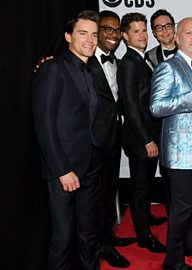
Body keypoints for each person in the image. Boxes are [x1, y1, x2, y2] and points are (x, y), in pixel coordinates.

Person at [32, 10, 104, 270]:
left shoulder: (89, 70)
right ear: (68, 36)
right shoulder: (53, 69)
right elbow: (44, 124)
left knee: (89, 234)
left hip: (90, 166)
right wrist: (63, 170)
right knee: (63, 239)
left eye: (94, 34)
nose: (90, 40)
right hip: (64, 170)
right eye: (83, 33)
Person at [150, 17, 192, 270]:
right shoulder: (168, 67)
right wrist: (191, 96)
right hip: (180, 156)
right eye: (189, 33)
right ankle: (174, 262)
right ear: (177, 38)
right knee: (181, 211)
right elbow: (156, 107)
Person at [90, 10, 136, 268]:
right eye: (107, 29)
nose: (113, 35)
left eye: (117, 30)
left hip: (113, 140)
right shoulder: (84, 63)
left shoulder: (115, 61)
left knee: (109, 193)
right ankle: (100, 247)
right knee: (95, 198)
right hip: (93, 144)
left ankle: (108, 237)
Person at [117, 12, 166, 253]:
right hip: (140, 138)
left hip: (148, 134)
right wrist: (146, 140)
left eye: (144, 30)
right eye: (136, 31)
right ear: (125, 36)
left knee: (145, 184)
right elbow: (130, 105)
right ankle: (144, 236)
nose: (142, 35)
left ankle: (146, 217)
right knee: (139, 187)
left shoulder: (141, 59)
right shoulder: (128, 63)